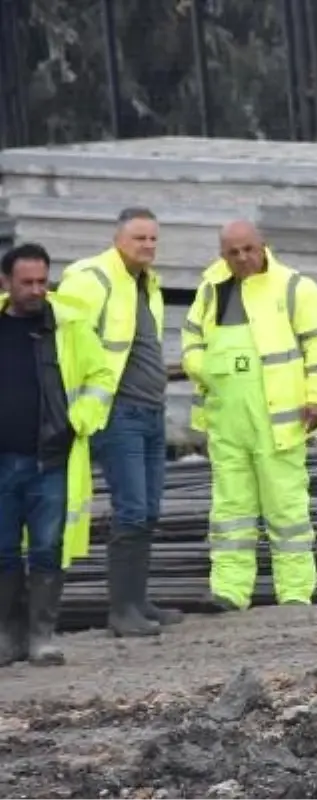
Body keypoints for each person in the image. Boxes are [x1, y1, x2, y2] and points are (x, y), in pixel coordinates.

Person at [181, 221, 317, 610]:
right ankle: (230, 591)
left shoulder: (294, 287)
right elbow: (191, 344)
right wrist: (208, 370)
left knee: (286, 508)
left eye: (248, 249)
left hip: (280, 422)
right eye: (233, 253)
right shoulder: (211, 290)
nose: (242, 258)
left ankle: (295, 592)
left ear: (263, 246)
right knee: (231, 511)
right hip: (227, 420)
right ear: (223, 254)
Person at [56, 207, 184, 637]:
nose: (147, 246)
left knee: (147, 510)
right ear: (118, 240)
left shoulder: (146, 283)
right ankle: (122, 610)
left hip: (149, 411)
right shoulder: (94, 279)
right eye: (139, 238)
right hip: (117, 413)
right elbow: (70, 342)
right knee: (130, 509)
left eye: (153, 239)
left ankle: (137, 599)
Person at [0, 244, 114, 666]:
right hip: (2, 461)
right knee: (4, 550)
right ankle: (8, 638)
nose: (35, 290)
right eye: (26, 282)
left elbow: (101, 376)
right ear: (5, 282)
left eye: (41, 281)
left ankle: (41, 636)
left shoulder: (67, 325)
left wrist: (77, 420)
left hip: (49, 459)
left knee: (47, 547)